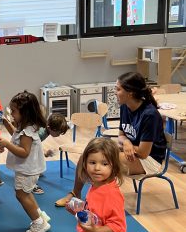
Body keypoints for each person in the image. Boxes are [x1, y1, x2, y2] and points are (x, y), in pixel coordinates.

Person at [55, 72, 167, 207]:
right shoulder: (125, 107)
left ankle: (98, 202)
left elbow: (143, 153)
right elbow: (121, 135)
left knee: (104, 164)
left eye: (118, 89)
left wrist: (127, 145)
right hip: (131, 151)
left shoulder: (150, 115)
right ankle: (75, 193)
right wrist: (126, 142)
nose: (115, 92)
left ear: (130, 93)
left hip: (149, 160)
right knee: (86, 156)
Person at [0, 91, 50, 232]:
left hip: (27, 169)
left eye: (13, 111)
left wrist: (7, 144)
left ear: (24, 113)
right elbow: (15, 134)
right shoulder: (24, 127)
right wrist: (5, 122)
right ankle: (40, 216)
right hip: (27, 168)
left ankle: (39, 223)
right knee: (26, 193)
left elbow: (24, 152)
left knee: (21, 195)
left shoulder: (27, 131)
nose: (11, 114)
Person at [33, 112, 69, 194]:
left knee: (37, 160)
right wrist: (45, 153)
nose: (59, 135)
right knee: (32, 164)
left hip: (31, 146)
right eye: (58, 133)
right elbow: (32, 148)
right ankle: (32, 184)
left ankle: (36, 172)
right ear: (49, 128)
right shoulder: (41, 133)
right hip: (26, 148)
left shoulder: (46, 130)